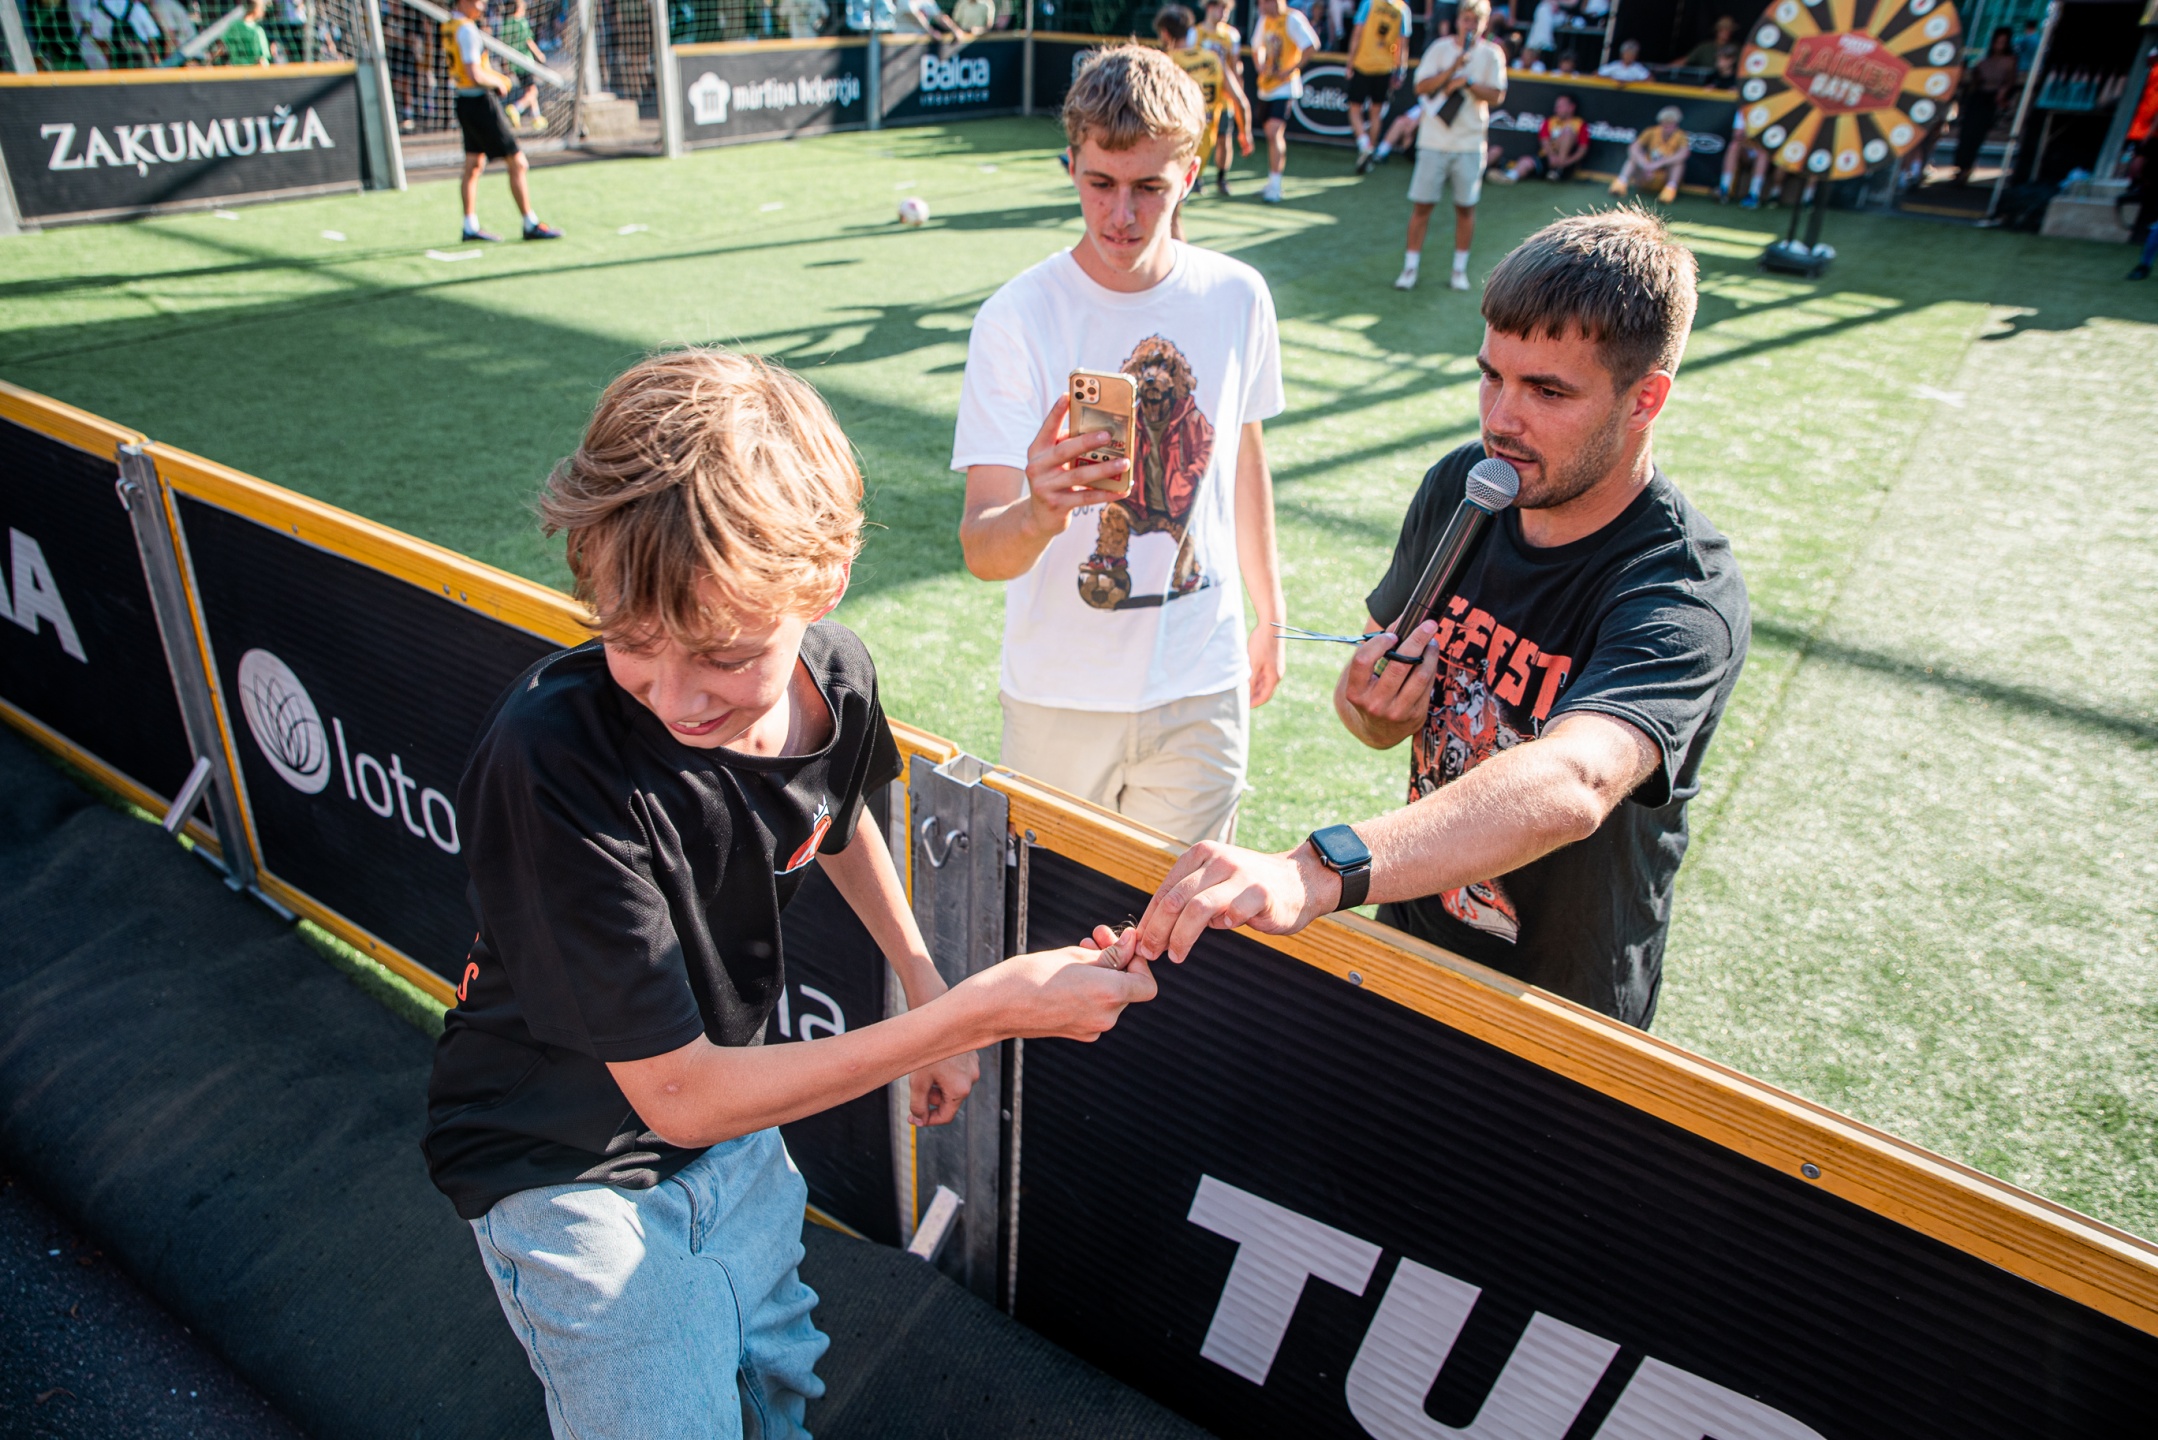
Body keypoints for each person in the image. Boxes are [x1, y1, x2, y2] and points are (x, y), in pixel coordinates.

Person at [423, 349, 1154, 1440]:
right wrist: (975, 1014)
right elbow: (678, 1097)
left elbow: (836, 817)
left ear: (825, 581)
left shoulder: (838, 676)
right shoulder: (551, 761)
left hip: (734, 1134)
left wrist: (922, 977)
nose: (677, 696)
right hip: (563, 1164)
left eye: (724, 653)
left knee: (775, 1395)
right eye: (631, 642)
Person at [1113, 208, 1749, 1032]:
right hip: (1408, 948)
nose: (1501, 418)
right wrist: (1373, 708)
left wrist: (1319, 869)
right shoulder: (1467, 486)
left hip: (1558, 1010)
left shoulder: (1683, 587)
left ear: (1645, 400)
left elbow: (1576, 781)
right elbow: (1376, 721)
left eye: (1548, 391)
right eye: (1492, 377)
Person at [954, 45, 1290, 846]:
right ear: (1070, 165)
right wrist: (1038, 513)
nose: (1122, 215)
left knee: (1188, 921)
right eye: (1100, 183)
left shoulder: (1239, 295)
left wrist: (1271, 612)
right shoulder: (1017, 317)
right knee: (1054, 920)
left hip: (1202, 685)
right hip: (1059, 697)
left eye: (1149, 188)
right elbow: (981, 548)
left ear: (1191, 174)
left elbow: (1242, 464)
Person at [1394, 0, 1506, 291]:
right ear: (1458, 20)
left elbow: (1497, 96)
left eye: (1476, 20)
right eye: (1466, 19)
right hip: (1433, 141)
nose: (1470, 25)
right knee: (1422, 206)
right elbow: (1420, 87)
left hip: (1470, 143)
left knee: (1465, 208)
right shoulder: (1439, 49)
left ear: (1484, 23)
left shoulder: (1492, 54)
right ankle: (1410, 268)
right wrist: (1452, 71)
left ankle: (1459, 271)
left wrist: (1467, 82)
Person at [443, 0, 562, 241]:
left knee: (473, 164)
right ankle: (530, 223)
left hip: (464, 101)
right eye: (478, 1)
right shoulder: (466, 29)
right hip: (480, 103)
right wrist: (499, 81)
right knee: (518, 163)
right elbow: (474, 74)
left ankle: (469, 226)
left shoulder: (449, 25)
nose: (482, 5)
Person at [1158, 5, 1252, 206]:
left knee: (1170, 211)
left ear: (1164, 34)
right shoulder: (1214, 59)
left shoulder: (1166, 63)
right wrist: (1245, 133)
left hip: (1174, 147)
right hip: (1202, 145)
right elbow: (1241, 102)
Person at [1250, 0, 1320, 204]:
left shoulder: (1293, 19)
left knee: (1274, 132)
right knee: (1269, 134)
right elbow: (1256, 47)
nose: (1261, 7)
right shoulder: (1264, 20)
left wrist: (1291, 69)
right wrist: (1260, 66)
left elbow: (1312, 45)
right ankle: (1272, 181)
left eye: (1264, 3)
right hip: (1266, 86)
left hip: (1285, 87)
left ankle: (1275, 184)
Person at [1346, 0, 1412, 174]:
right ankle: (1369, 153)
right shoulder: (1402, 9)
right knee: (1375, 114)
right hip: (1385, 68)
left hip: (1363, 64)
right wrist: (1400, 70)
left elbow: (1357, 33)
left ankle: (1364, 145)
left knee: (1354, 109)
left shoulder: (1369, 3)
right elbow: (1402, 45)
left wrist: (1350, 61)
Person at [1953, 27, 2019, 186]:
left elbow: (2010, 82)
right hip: (1978, 97)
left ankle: (1966, 168)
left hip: (1992, 100)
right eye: (1997, 41)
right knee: (1966, 133)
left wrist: (2002, 95)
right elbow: (1975, 80)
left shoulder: (2010, 61)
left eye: (2002, 42)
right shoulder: (1985, 60)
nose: (1999, 45)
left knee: (1977, 134)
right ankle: (1961, 167)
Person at [1492, 88, 1585, 181]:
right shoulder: (1550, 122)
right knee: (1526, 160)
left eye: (1561, 106)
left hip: (1567, 164)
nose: (1557, 108)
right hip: (1548, 159)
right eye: (1557, 105)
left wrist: (1567, 162)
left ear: (1571, 107)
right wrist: (1551, 157)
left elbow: (1582, 149)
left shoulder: (1579, 124)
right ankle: (1510, 177)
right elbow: (1544, 141)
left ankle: (1558, 169)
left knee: (1568, 132)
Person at [1610, 104, 1689, 202]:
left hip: (1664, 174)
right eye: (1665, 124)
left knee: (1679, 164)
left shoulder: (1681, 135)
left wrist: (1660, 163)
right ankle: (1620, 184)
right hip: (1645, 172)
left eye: (1671, 124)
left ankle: (1670, 190)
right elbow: (1633, 148)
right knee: (1633, 159)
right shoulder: (1651, 131)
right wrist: (1644, 163)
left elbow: (1683, 154)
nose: (1668, 128)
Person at [493, 0, 545, 129]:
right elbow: (528, 41)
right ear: (519, 9)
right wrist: (539, 55)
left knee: (529, 90)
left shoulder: (506, 24)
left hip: (514, 63)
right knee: (533, 91)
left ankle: (536, 117)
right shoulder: (521, 23)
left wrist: (505, 64)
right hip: (525, 62)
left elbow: (503, 45)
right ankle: (516, 108)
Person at [1717, 109, 1769, 206]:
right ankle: (1724, 188)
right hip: (1745, 150)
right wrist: (1752, 138)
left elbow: (1770, 141)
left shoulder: (1774, 111)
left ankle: (1754, 194)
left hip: (1761, 152)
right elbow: (1737, 135)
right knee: (1734, 146)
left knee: (1763, 152)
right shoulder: (1745, 109)